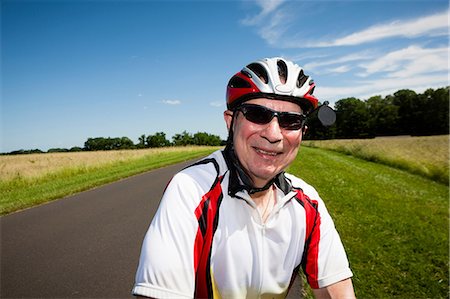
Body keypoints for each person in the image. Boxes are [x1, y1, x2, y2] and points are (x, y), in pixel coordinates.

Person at [132, 57, 355, 298]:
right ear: (230, 122)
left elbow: (337, 290)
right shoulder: (190, 190)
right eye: (257, 115)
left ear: (302, 132)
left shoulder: (307, 201)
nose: (273, 135)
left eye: (291, 121)